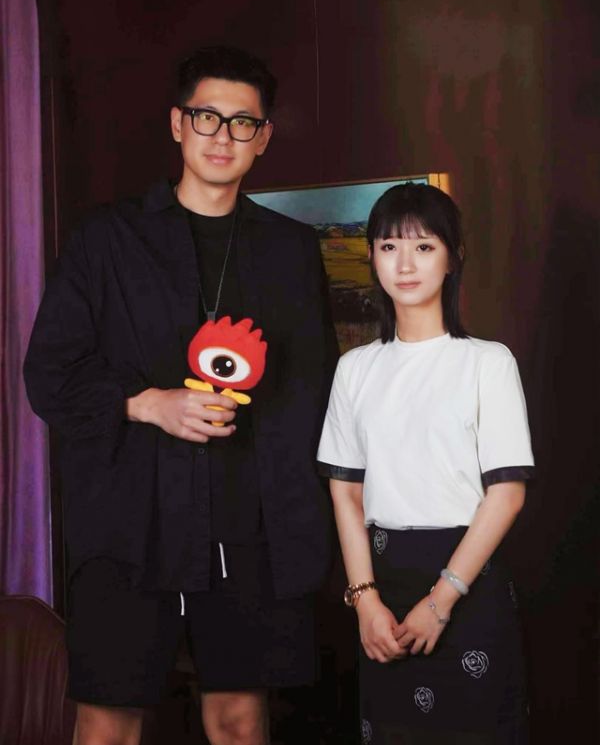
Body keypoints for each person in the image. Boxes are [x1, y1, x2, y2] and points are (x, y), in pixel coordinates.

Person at [24, 45, 338, 745]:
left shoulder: (289, 249)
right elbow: (49, 370)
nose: (223, 136)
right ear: (177, 123)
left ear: (264, 137)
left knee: (239, 721)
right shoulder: (106, 239)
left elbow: (313, 388)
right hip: (130, 519)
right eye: (206, 117)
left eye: (242, 122)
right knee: (107, 723)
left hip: (247, 526)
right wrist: (147, 403)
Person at [317, 183, 534, 744]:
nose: (405, 264)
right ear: (372, 257)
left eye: (423, 246)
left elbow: (507, 493)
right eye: (389, 247)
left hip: (468, 579)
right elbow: (346, 491)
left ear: (452, 257)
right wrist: (365, 601)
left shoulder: (488, 362)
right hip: (382, 584)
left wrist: (441, 601)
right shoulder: (355, 369)